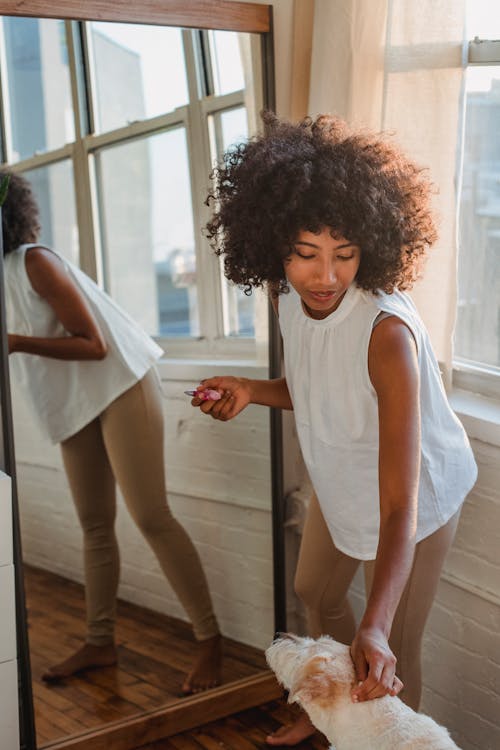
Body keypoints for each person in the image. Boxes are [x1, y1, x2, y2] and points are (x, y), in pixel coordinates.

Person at [190, 113, 477, 743]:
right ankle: (328, 709)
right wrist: (252, 392)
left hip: (412, 499)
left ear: (370, 245)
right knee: (315, 591)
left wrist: (374, 624)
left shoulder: (386, 336)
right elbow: (319, 390)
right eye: (306, 255)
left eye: (344, 255)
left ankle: (379, 731)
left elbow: (400, 498)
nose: (325, 277)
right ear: (275, 246)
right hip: (348, 473)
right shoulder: (287, 297)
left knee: (389, 652)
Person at [3, 171, 221, 694]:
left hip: (120, 378)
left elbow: (95, 343)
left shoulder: (36, 260)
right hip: (76, 397)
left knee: (150, 514)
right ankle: (100, 642)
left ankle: (210, 643)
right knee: (94, 523)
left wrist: (12, 341)